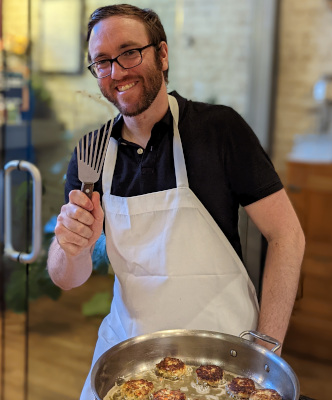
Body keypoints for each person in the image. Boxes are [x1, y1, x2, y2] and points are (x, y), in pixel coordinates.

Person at [47, 4, 305, 399]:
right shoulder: (92, 153)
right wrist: (71, 247)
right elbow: (67, 277)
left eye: (130, 52)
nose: (116, 71)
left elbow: (287, 235)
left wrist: (266, 349)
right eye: (101, 61)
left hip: (223, 354)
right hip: (129, 355)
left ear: (162, 55)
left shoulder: (218, 131)